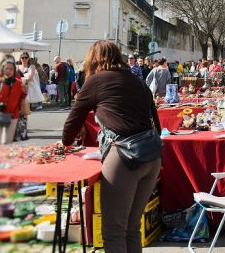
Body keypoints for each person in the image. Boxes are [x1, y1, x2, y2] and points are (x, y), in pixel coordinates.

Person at [60, 40, 161, 253]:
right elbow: (157, 126)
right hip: (151, 156)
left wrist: (65, 143)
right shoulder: (138, 82)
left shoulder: (96, 81)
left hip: (124, 157)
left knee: (114, 232)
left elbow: (72, 122)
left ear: (93, 60)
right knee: (132, 229)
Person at [0, 59, 25, 145]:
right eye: (6, 68)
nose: (8, 71)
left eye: (11, 69)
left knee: (7, 141)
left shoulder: (19, 83)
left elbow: (22, 98)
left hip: (13, 114)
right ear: (3, 69)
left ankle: (6, 157)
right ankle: (0, 158)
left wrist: (25, 92)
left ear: (14, 70)